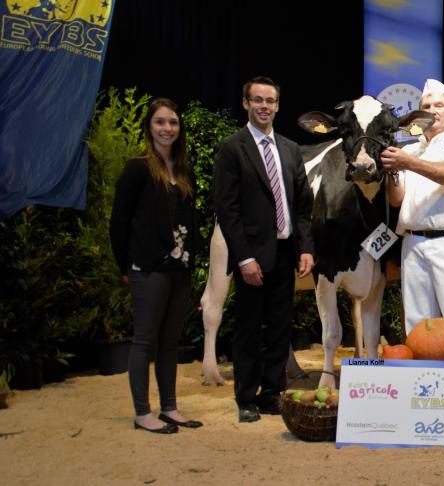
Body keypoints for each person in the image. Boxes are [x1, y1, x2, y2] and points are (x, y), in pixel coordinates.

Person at [213, 76, 315, 423]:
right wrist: (244, 257)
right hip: (253, 258)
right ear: (245, 104)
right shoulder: (232, 148)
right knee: (248, 330)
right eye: (257, 100)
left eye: (270, 101)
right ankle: (246, 398)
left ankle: (272, 395)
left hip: (286, 254)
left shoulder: (289, 148)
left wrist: (305, 248)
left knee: (279, 328)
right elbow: (227, 210)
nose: (264, 107)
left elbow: (303, 205)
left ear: (277, 106)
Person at [109, 98, 203, 434]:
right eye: (161, 122)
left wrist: (193, 260)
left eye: (173, 122)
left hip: (180, 270)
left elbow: (190, 221)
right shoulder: (138, 168)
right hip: (147, 268)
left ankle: (169, 407)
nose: (167, 129)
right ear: (150, 127)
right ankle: (141, 413)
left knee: (170, 341)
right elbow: (118, 223)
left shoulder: (183, 169)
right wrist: (126, 265)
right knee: (145, 341)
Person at [381, 78, 444, 333]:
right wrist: (393, 171)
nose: (433, 110)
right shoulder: (410, 150)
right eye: (426, 106)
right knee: (418, 330)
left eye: (439, 105)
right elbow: (396, 199)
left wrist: (408, 163)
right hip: (413, 245)